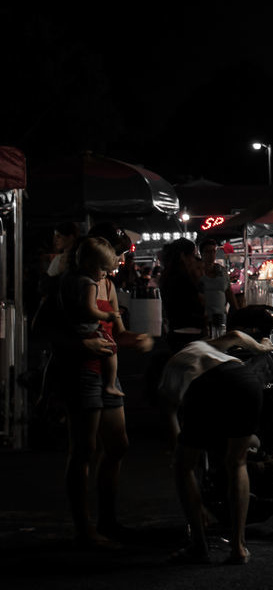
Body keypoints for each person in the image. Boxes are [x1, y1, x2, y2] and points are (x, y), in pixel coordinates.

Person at [44, 223, 153, 548]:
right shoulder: (70, 283)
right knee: (83, 450)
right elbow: (43, 327)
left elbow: (117, 331)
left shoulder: (106, 284)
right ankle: (85, 528)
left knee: (117, 445)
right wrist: (80, 345)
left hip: (105, 371)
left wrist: (139, 339)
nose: (117, 264)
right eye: (115, 257)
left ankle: (108, 519)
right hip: (79, 372)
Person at [160, 306, 273, 565]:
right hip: (243, 380)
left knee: (183, 468)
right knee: (237, 463)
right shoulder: (204, 346)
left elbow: (172, 423)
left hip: (206, 386)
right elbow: (236, 335)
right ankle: (238, 548)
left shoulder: (169, 372)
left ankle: (199, 545)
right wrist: (262, 348)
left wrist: (183, 457)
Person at [65, 237, 126, 399]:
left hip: (87, 360)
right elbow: (90, 310)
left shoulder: (68, 279)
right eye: (103, 269)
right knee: (112, 349)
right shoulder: (89, 284)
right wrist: (108, 316)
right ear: (91, 263)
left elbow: (122, 331)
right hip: (86, 369)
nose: (105, 273)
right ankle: (111, 384)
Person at [161, 238, 205, 351]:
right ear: (183, 256)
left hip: (175, 331)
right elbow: (198, 302)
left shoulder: (167, 275)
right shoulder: (183, 278)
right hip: (191, 333)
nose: (194, 260)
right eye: (192, 255)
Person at [198, 237, 240, 334]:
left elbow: (229, 292)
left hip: (221, 316)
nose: (211, 255)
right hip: (204, 318)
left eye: (213, 251)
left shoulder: (221, 270)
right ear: (202, 253)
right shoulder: (198, 272)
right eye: (208, 252)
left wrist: (237, 311)